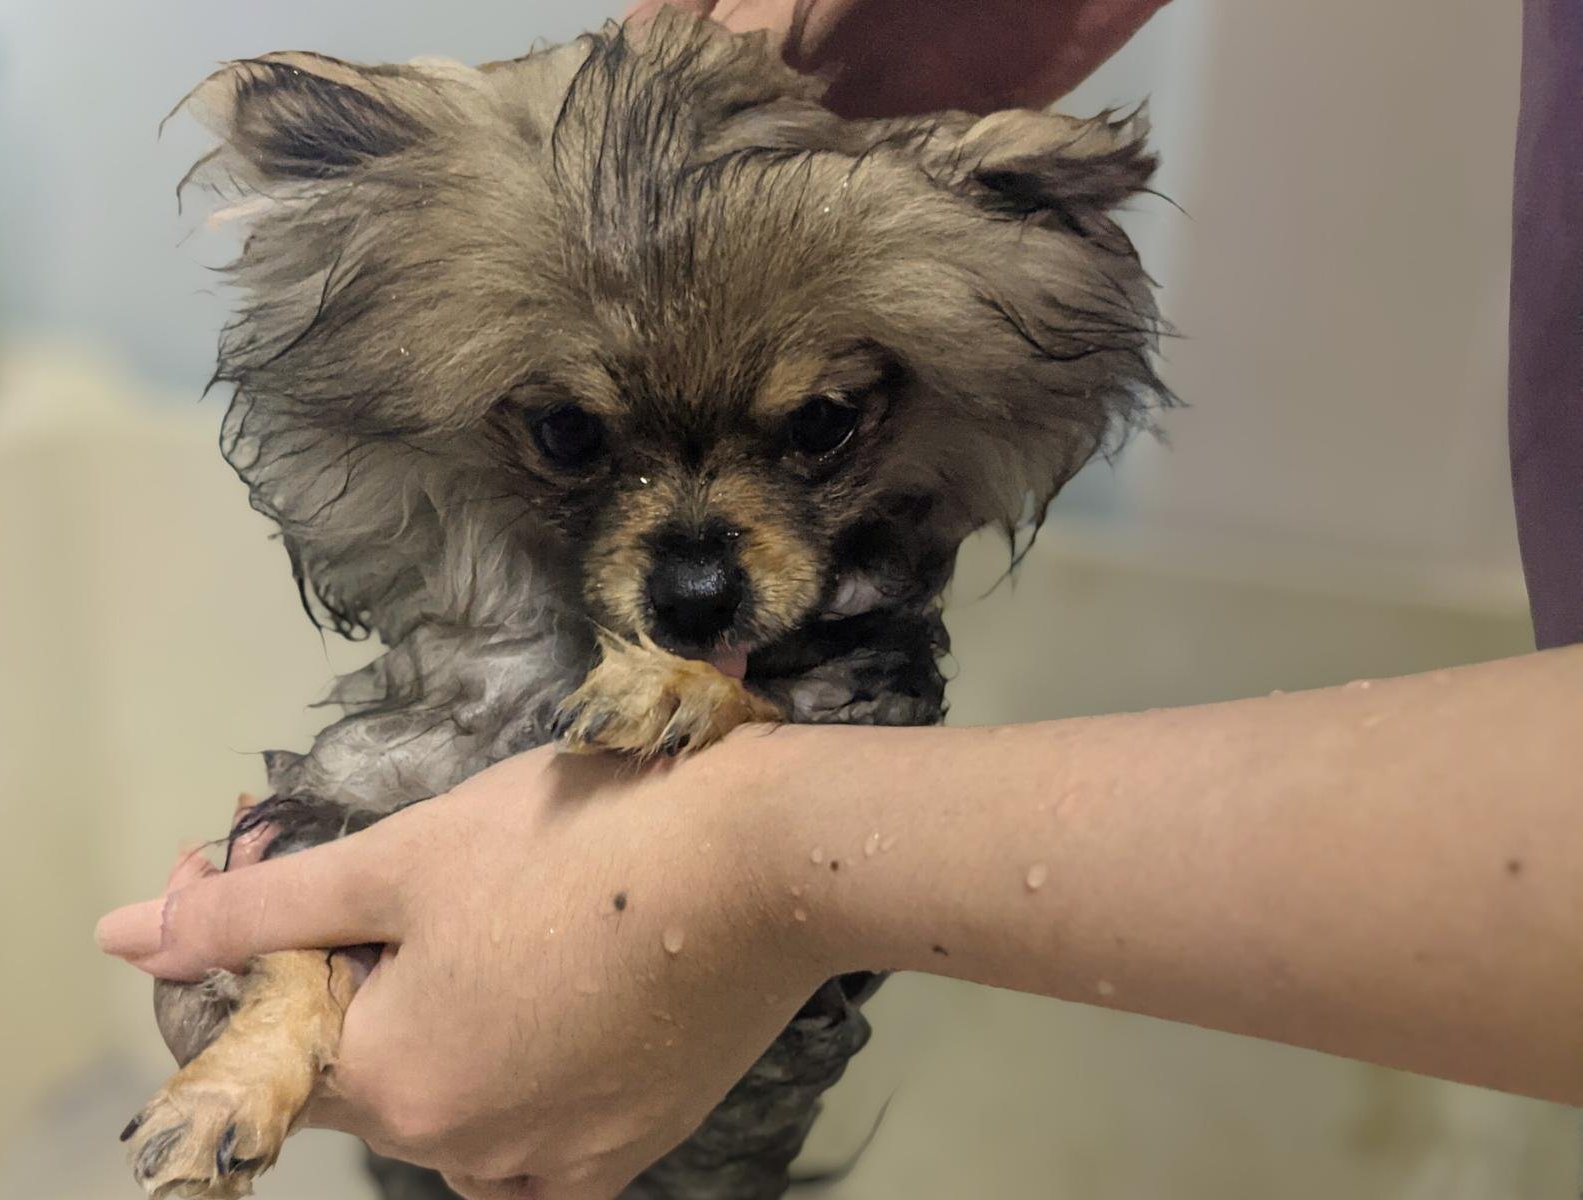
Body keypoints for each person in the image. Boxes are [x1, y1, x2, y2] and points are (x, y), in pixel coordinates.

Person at [96, 4, 1583, 1198]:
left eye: (816, 429)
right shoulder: (471, 596)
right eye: (569, 438)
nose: (695, 560)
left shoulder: (847, 647)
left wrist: (751, 858)